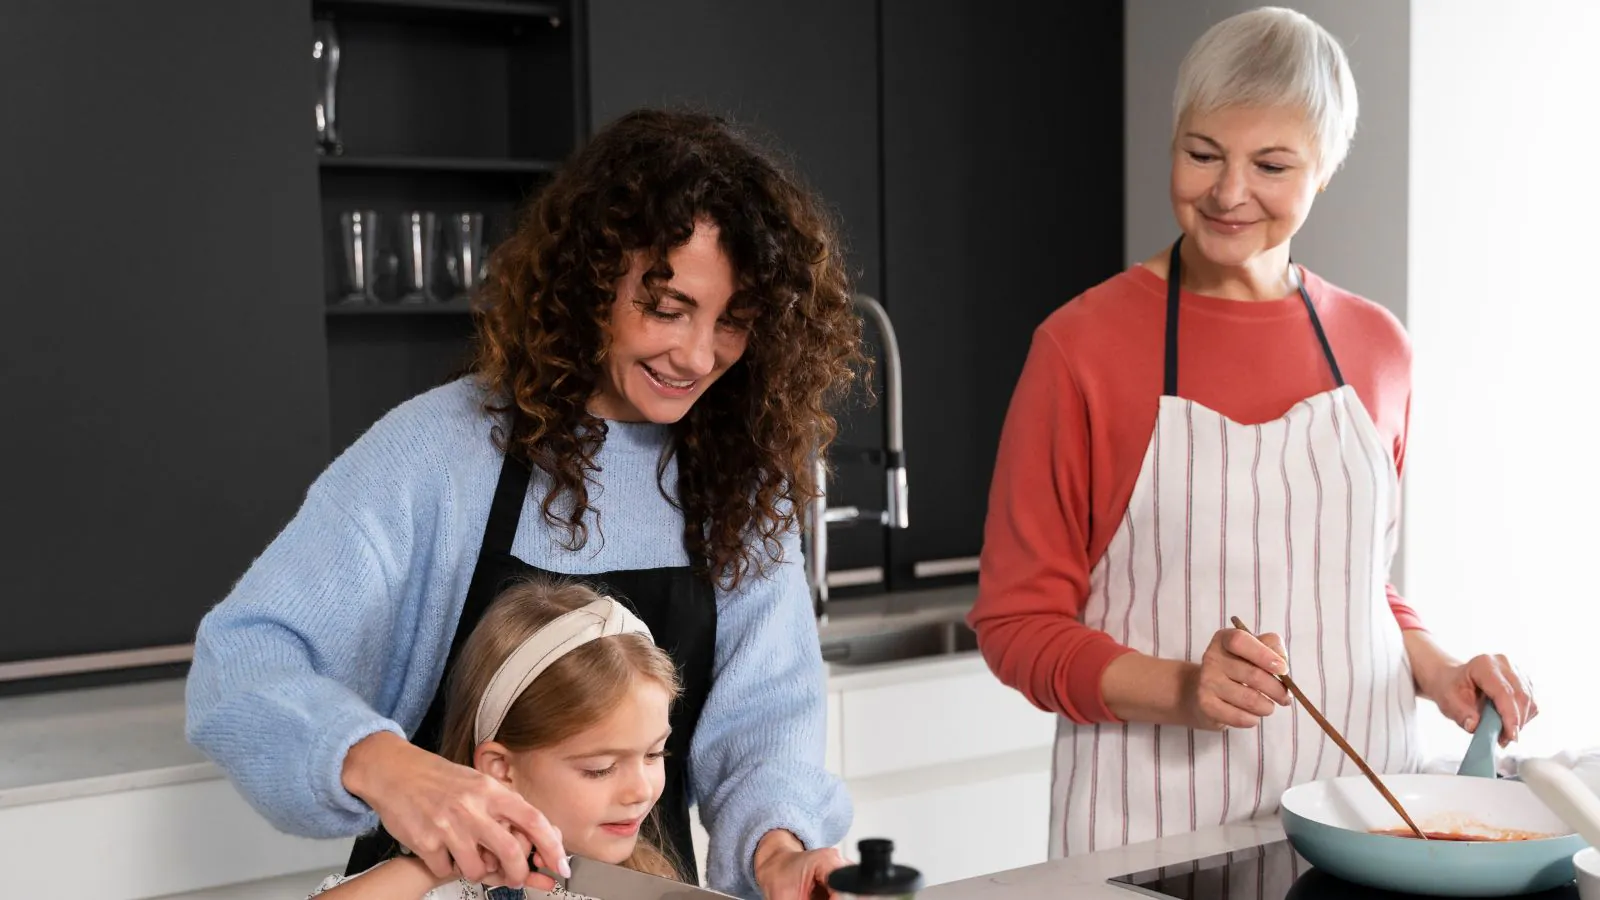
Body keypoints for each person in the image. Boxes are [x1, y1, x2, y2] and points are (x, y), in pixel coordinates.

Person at [185, 108, 862, 900]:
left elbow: (765, 728)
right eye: (667, 308)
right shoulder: (440, 453)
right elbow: (242, 658)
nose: (698, 354)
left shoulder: (738, 482)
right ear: (591, 281)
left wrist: (780, 851)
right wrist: (390, 767)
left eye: (733, 323)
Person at [968, 6, 1537, 860]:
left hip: (1367, 818)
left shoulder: (1377, 347)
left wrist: (1442, 671)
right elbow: (1017, 623)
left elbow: (1355, 587)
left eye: (1271, 165)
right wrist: (1187, 690)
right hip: (1153, 833)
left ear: (1325, 169)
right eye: (1202, 154)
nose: (1228, 193)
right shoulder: (1081, 348)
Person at [308, 579, 684, 899]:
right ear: (502, 769)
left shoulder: (651, 886)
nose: (640, 790)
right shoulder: (434, 889)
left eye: (654, 753)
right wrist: (434, 870)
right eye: (600, 769)